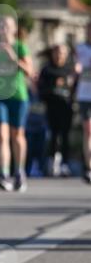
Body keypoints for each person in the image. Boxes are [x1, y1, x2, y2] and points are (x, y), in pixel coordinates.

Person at [0, 14, 33, 192]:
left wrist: (13, 57)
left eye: (7, 26)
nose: (4, 29)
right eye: (1, 26)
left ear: (14, 29)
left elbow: (29, 71)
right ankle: (4, 174)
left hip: (18, 95)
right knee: (1, 134)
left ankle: (19, 171)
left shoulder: (20, 46)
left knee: (18, 135)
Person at [38, 43, 76, 176]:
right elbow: (41, 90)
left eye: (61, 53)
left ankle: (65, 163)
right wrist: (53, 89)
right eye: (56, 52)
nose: (59, 55)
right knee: (53, 135)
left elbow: (75, 88)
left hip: (66, 107)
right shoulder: (47, 70)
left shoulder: (70, 69)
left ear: (66, 54)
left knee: (65, 135)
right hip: (52, 107)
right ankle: (52, 162)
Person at [74, 21, 91, 183]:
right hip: (85, 95)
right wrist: (77, 68)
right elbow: (76, 65)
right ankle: (89, 167)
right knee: (88, 130)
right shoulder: (80, 49)